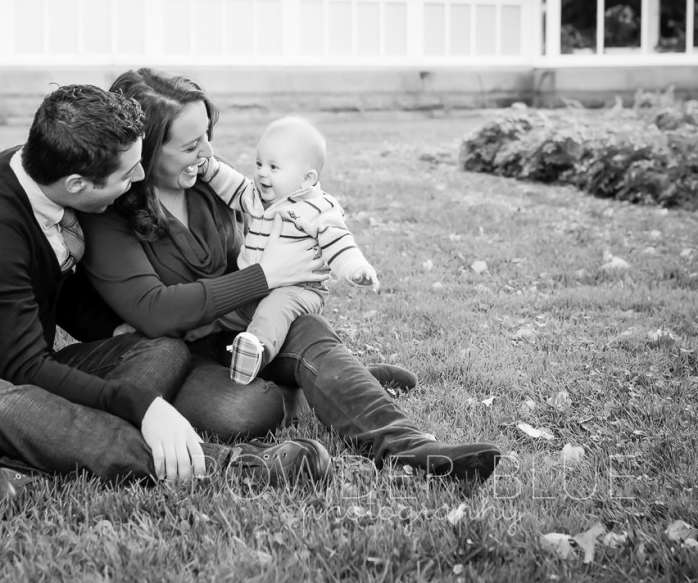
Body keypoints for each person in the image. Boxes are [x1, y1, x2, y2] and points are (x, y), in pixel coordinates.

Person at [0, 84, 332, 504]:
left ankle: (22, 461)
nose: (140, 176)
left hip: (23, 367)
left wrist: (118, 333)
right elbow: (21, 368)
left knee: (160, 349)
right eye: (127, 173)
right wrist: (145, 406)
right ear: (78, 185)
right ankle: (234, 466)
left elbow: (58, 294)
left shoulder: (43, 172)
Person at [79, 68, 502, 482]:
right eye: (191, 146)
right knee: (247, 412)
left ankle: (409, 447)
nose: (207, 152)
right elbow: (153, 311)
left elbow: (285, 210)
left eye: (208, 135)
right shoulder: (109, 209)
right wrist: (267, 275)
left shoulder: (207, 178)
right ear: (146, 150)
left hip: (244, 328)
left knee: (308, 326)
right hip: (175, 354)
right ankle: (337, 381)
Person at [197, 115, 380, 384]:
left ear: (307, 179)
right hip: (254, 285)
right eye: (259, 163)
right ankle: (179, 332)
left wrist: (355, 268)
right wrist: (209, 168)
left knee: (274, 310)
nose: (261, 173)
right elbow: (232, 183)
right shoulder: (258, 197)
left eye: (273, 167)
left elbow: (339, 242)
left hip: (297, 289)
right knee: (218, 309)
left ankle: (255, 352)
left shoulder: (319, 209)